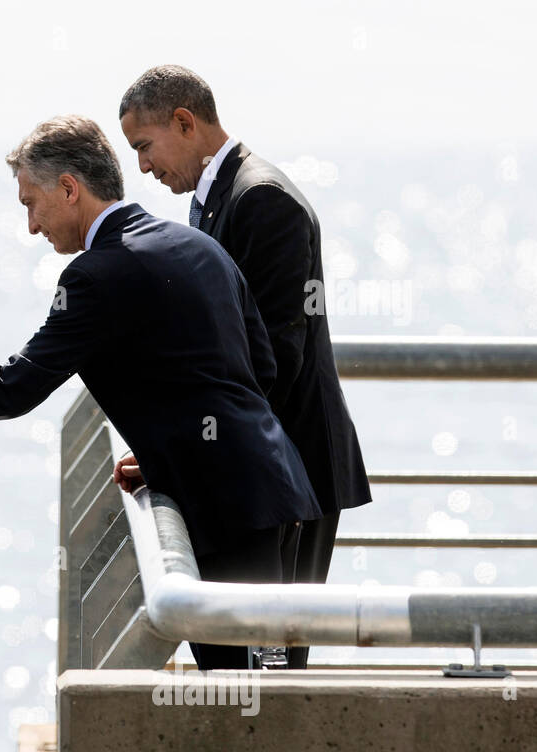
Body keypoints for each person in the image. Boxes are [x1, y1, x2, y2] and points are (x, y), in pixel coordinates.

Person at [0, 115, 321, 670]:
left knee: (251, 709)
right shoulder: (195, 244)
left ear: (70, 188)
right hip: (276, 490)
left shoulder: (95, 276)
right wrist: (171, 450)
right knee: (264, 701)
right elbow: (260, 368)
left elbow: (15, 387)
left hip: (228, 511)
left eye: (31, 204)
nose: (32, 226)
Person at [118, 65, 372, 668]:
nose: (144, 168)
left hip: (290, 471)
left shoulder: (261, 200)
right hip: (262, 468)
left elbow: (271, 363)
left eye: (144, 147)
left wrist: (180, 448)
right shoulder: (216, 200)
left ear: (185, 121)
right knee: (251, 663)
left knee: (274, 668)